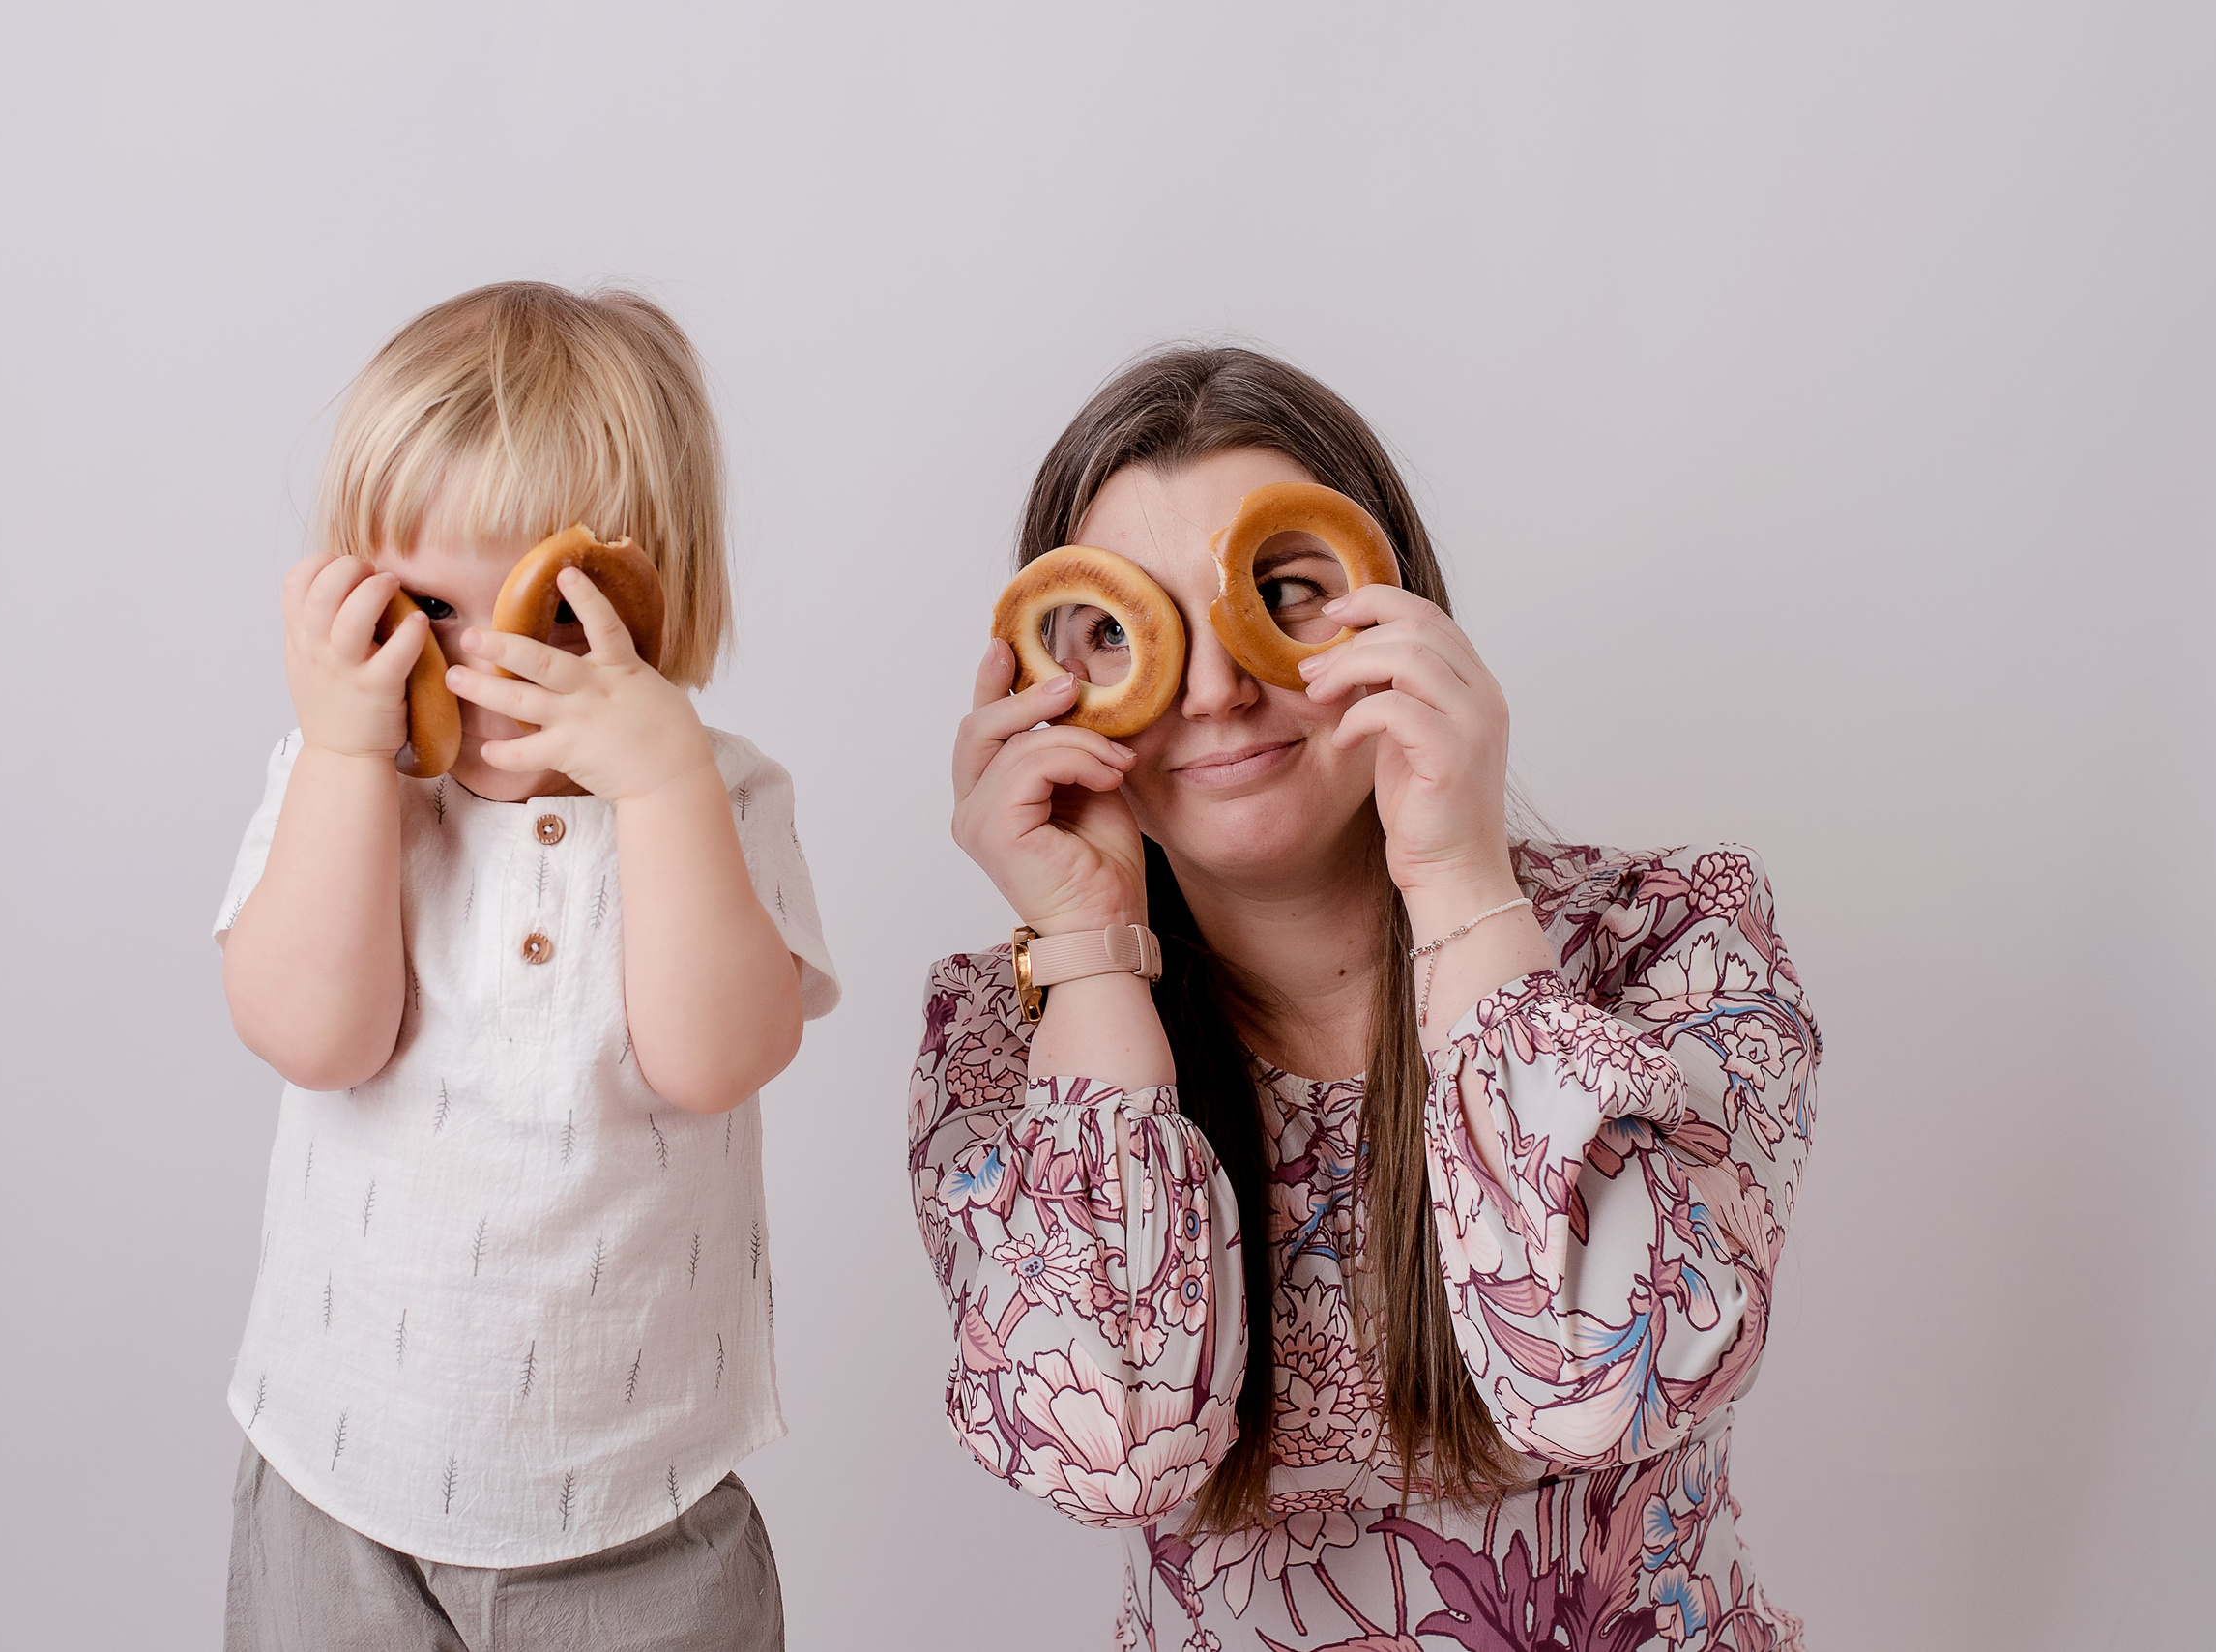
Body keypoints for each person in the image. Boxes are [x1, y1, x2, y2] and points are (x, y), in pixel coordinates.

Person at [915, 347, 1819, 1650]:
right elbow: (1108, 1447)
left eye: (1277, 595)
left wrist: (1455, 873)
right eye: (1123, 630)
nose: (1216, 686)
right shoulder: (1010, 1045)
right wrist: (1092, 950)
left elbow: (1602, 1381)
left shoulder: (1673, 943)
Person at [215, 282, 836, 1651]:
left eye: (555, 613)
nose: (492, 668)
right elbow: (316, 1033)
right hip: (337, 1482)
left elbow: (714, 1054)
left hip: (639, 1504)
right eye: (435, 606)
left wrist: (663, 782)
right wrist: (338, 752)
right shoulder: (343, 787)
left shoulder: (719, 800)